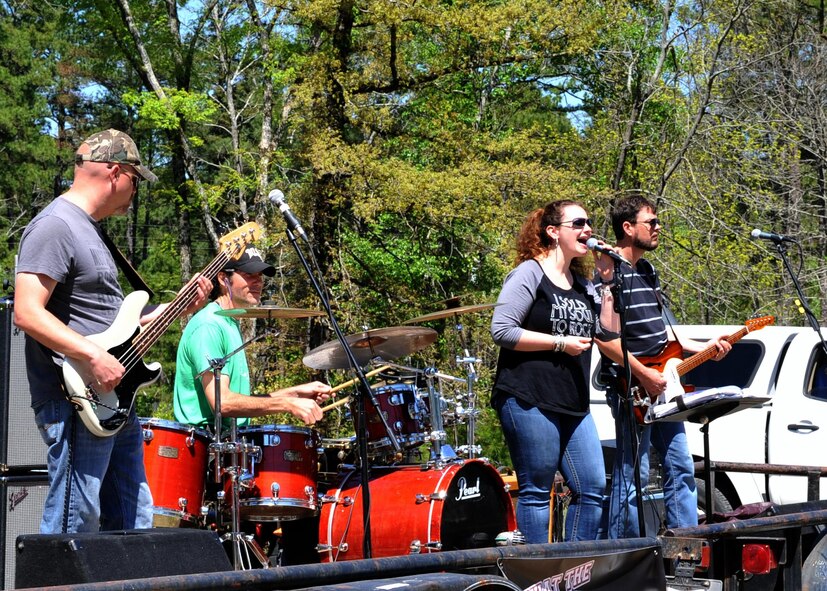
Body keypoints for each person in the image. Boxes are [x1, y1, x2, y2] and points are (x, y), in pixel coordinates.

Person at [14, 129, 213, 534]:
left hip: (115, 398)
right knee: (76, 523)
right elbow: (27, 313)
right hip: (75, 399)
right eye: (136, 180)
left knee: (132, 521)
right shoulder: (55, 225)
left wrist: (177, 307)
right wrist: (92, 357)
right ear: (115, 172)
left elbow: (113, 323)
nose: (135, 191)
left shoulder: (92, 231)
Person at [597, 195, 731, 538]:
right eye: (651, 222)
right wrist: (645, 375)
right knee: (633, 473)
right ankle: (623, 553)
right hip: (633, 388)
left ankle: (686, 546)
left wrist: (706, 348)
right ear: (627, 228)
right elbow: (604, 340)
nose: (658, 228)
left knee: (681, 467)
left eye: (658, 222)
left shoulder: (647, 270)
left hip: (663, 385)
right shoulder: (607, 273)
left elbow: (663, 337)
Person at [490, 199, 620, 543]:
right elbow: (502, 330)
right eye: (578, 224)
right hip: (529, 398)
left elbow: (608, 334)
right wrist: (559, 343)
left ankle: (573, 570)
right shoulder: (529, 273)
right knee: (537, 489)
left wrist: (607, 283)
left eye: (589, 223)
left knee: (591, 487)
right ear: (553, 232)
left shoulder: (583, 285)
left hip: (573, 403)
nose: (587, 230)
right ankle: (538, 574)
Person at [173, 245, 331, 430]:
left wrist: (294, 394)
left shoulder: (229, 322)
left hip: (226, 442)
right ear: (224, 279)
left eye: (260, 275)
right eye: (249, 274)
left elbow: (237, 402)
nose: (258, 282)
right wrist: (287, 404)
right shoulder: (209, 325)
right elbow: (222, 402)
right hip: (202, 447)